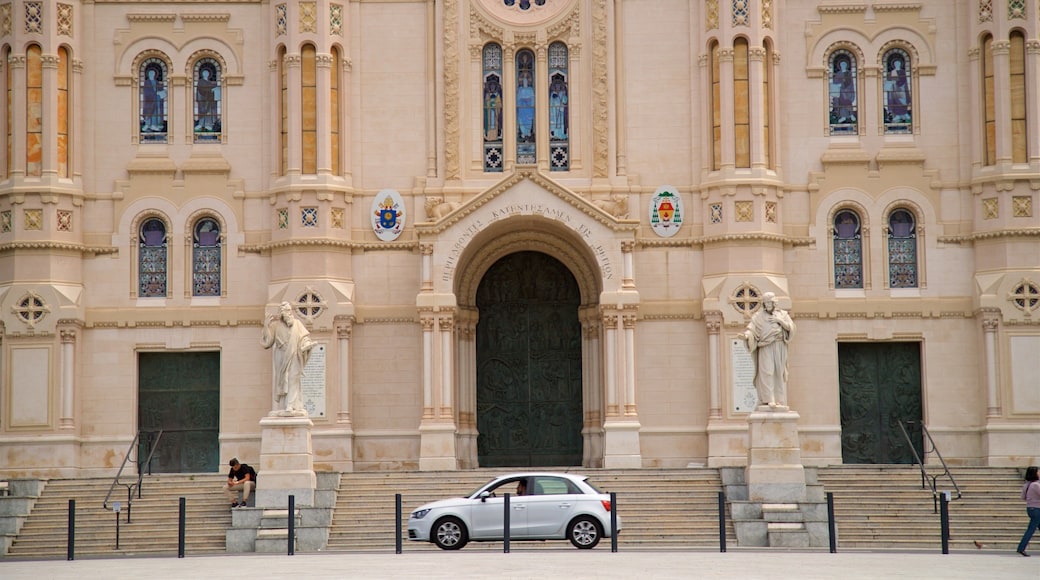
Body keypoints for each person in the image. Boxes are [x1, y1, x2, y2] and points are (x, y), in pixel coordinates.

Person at [741, 292, 796, 409]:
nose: (767, 305)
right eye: (765, 303)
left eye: (769, 302)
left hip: (779, 345)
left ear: (774, 302)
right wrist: (746, 336)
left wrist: (780, 321)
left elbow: (791, 328)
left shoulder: (783, 314)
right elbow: (751, 330)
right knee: (767, 372)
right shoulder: (758, 316)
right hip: (765, 347)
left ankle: (779, 400)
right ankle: (768, 399)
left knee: (778, 373)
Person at [261, 301, 316, 416]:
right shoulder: (276, 326)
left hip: (295, 355)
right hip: (281, 357)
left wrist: (306, 344)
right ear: (282, 314)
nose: (289, 313)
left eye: (290, 311)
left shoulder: (297, 324)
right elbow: (267, 343)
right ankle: (283, 406)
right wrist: (266, 326)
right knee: (283, 380)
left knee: (293, 379)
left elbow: (305, 338)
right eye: (286, 311)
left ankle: (291, 405)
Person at [1017, 466, 1040, 556]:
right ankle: (1021, 548)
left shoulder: (1026, 484)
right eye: (1038, 472)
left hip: (1030, 508)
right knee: (1031, 529)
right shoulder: (1036, 485)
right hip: (1037, 509)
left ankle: (1021, 547)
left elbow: (1023, 497)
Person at [194, 66, 220, 132]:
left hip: (210, 100)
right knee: (203, 112)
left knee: (209, 112)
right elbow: (201, 89)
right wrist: (211, 89)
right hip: (203, 100)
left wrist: (214, 89)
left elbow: (212, 88)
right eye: (204, 73)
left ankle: (208, 125)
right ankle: (201, 124)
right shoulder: (201, 81)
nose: (206, 74)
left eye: (207, 73)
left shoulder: (210, 82)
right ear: (202, 74)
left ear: (209, 74)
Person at [141, 67, 166, 132]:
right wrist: (155, 93)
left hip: (157, 100)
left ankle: (154, 125)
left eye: (153, 73)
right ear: (148, 74)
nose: (152, 74)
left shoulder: (157, 82)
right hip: (149, 101)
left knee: (156, 112)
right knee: (149, 112)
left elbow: (160, 89)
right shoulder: (147, 82)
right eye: (150, 73)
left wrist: (163, 91)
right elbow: (146, 92)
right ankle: (148, 124)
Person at [886, 55, 910, 122]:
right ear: (894, 64)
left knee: (902, 101)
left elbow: (903, 80)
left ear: (900, 64)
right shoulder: (892, 72)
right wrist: (890, 81)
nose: (897, 64)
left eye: (898, 63)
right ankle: (897, 115)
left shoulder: (902, 71)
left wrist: (896, 82)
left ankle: (904, 114)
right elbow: (889, 81)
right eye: (895, 63)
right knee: (895, 103)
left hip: (902, 90)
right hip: (894, 91)